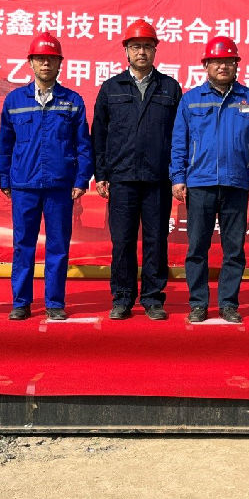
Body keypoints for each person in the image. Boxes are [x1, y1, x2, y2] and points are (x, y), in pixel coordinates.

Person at [170, 36, 249, 324]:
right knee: (197, 248)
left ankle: (228, 303)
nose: (223, 66)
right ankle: (198, 303)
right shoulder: (190, 100)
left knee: (234, 250)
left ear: (236, 65)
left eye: (229, 61)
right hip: (199, 183)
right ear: (206, 65)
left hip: (236, 183)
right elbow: (179, 142)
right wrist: (178, 177)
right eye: (216, 61)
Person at [0, 32, 94, 321]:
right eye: (40, 59)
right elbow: (5, 144)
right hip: (24, 185)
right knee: (23, 245)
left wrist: (81, 180)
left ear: (60, 63)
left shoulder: (72, 101)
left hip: (59, 186)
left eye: (51, 59)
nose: (46, 64)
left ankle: (54, 302)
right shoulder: (15, 100)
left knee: (58, 246)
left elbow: (83, 146)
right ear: (30, 62)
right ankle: (21, 302)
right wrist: (5, 178)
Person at [92, 20, 182, 321]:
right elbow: (99, 134)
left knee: (156, 240)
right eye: (135, 47)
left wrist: (177, 174)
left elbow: (180, 136)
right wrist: (101, 174)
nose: (141, 52)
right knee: (123, 241)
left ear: (155, 50)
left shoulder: (169, 88)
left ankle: (153, 298)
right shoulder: (111, 88)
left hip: (158, 178)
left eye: (147, 46)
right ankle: (122, 297)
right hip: (122, 177)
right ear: (126, 51)